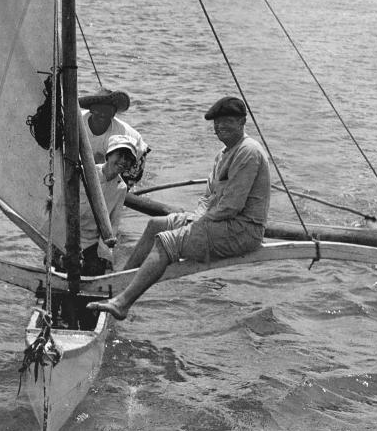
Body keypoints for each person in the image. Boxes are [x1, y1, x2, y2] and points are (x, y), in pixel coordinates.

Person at [88, 95, 270, 320]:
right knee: (156, 224)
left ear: (242, 122)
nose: (221, 127)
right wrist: (195, 219)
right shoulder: (223, 154)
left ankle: (122, 303)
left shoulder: (248, 151)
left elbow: (231, 207)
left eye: (228, 122)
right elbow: (207, 198)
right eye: (217, 123)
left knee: (167, 243)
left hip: (241, 230)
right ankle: (119, 285)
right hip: (219, 221)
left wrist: (196, 225)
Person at [78, 133, 139, 276]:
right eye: (120, 155)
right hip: (66, 236)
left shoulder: (121, 188)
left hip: (90, 242)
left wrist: (105, 255)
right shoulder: (84, 173)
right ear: (109, 154)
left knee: (96, 270)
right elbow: (60, 208)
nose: (123, 161)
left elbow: (113, 223)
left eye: (128, 159)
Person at [79, 88, 150, 186]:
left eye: (107, 111)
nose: (103, 114)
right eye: (99, 110)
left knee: (117, 185)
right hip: (98, 157)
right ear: (91, 109)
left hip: (135, 154)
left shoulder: (121, 132)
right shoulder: (77, 121)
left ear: (113, 113)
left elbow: (123, 160)